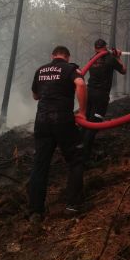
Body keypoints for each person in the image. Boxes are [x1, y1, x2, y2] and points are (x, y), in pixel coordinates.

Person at [28, 45, 87, 221]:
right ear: (67, 57)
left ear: (52, 55)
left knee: (40, 164)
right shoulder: (70, 68)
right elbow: (81, 84)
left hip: (42, 121)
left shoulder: (41, 70)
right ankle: (72, 205)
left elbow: (35, 96)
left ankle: (36, 212)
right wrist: (82, 112)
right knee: (76, 159)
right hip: (62, 120)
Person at [82, 38, 127, 164]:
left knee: (85, 123)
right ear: (105, 47)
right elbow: (123, 70)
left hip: (88, 94)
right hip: (100, 96)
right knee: (94, 125)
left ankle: (79, 150)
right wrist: (118, 56)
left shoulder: (92, 59)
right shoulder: (110, 58)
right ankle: (84, 158)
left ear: (95, 48)